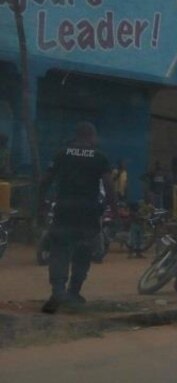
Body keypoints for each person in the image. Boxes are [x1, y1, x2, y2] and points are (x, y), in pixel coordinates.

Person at [37, 122, 115, 314]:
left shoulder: (62, 154)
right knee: (83, 252)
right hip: (88, 214)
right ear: (91, 136)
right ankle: (74, 292)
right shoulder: (99, 157)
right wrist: (114, 207)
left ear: (76, 135)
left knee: (60, 250)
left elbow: (45, 180)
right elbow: (109, 186)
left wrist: (41, 203)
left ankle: (57, 291)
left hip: (64, 210)